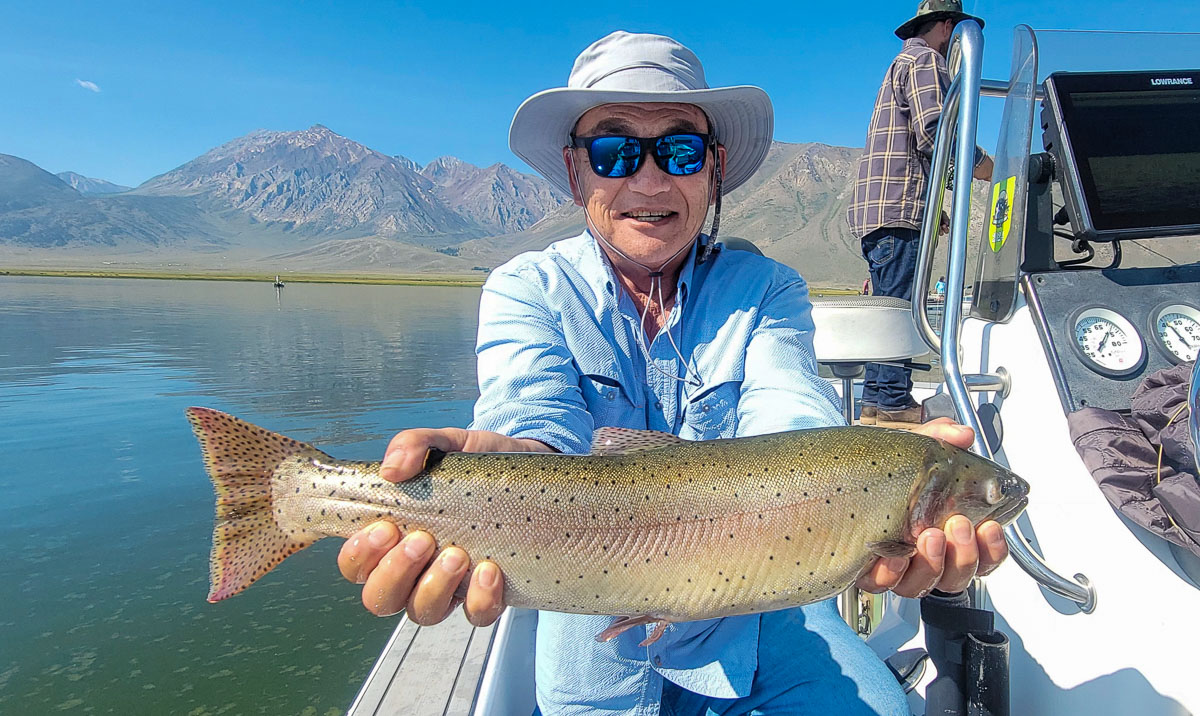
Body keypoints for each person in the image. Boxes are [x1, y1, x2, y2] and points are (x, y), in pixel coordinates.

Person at [338, 31, 1009, 715]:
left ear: (713, 169)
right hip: (586, 628)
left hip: (751, 620)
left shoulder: (769, 291)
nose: (651, 180)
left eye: (680, 150)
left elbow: (794, 422)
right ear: (577, 173)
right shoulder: (527, 288)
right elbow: (532, 426)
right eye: (614, 150)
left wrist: (870, 492)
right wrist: (508, 459)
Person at [848, 0, 994, 428]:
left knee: (885, 304)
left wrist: (935, 210)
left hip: (882, 208)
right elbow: (936, 131)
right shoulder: (927, 60)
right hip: (898, 209)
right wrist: (983, 166)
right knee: (900, 307)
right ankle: (893, 402)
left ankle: (875, 402)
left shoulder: (900, 62)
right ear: (949, 27)